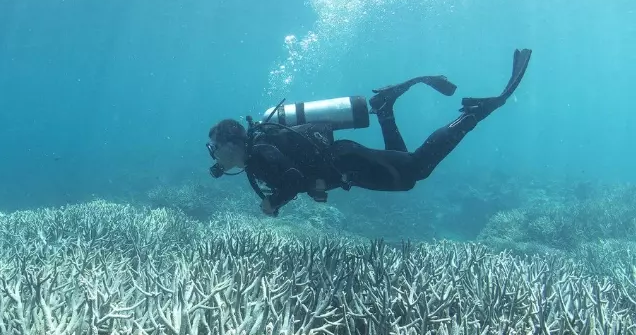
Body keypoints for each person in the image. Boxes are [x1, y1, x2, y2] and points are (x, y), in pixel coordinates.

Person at [206, 48, 532, 216]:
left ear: (232, 143)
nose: (215, 156)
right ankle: (385, 108)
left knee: (414, 171)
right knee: (406, 167)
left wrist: (273, 202)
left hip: (346, 161)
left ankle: (472, 115)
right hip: (343, 163)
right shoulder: (258, 153)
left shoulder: (260, 152)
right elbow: (298, 174)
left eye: (215, 148)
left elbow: (291, 179)